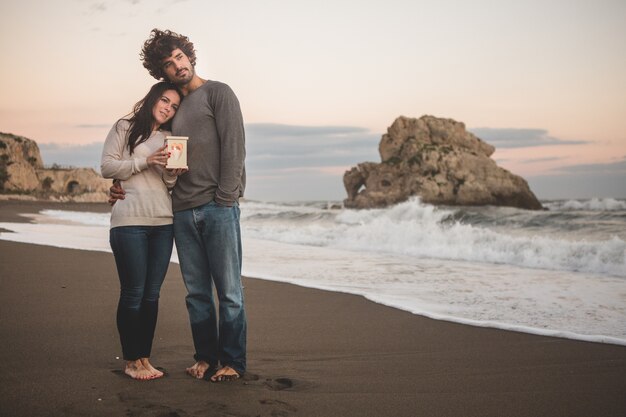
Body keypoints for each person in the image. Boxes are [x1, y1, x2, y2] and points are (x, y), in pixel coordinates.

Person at [110, 29, 247, 382]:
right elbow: (148, 154)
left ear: (189, 55)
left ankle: (232, 362)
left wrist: (225, 198)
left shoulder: (219, 93)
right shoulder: (173, 109)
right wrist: (118, 184)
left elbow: (234, 148)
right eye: (168, 64)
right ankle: (204, 358)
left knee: (229, 291)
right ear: (163, 74)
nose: (177, 66)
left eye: (179, 57)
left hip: (217, 207)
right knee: (197, 293)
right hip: (180, 211)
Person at [101, 81, 183, 380]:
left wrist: (172, 173)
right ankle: (131, 361)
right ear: (152, 98)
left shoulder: (171, 137)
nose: (167, 108)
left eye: (174, 106)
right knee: (133, 292)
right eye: (164, 100)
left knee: (151, 295)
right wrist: (145, 161)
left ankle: (145, 358)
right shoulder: (125, 127)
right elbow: (108, 167)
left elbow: (169, 185)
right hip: (129, 222)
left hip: (163, 223)